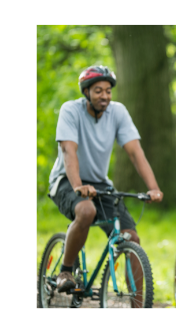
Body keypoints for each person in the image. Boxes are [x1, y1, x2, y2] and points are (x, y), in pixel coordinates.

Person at [48, 65, 163, 293]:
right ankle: (66, 270)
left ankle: (139, 304)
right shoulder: (70, 110)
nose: (105, 96)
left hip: (100, 183)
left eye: (108, 91)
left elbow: (135, 152)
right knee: (86, 211)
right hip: (66, 180)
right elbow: (68, 151)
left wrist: (153, 188)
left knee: (131, 237)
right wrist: (78, 186)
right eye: (98, 90)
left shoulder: (117, 112)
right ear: (86, 92)